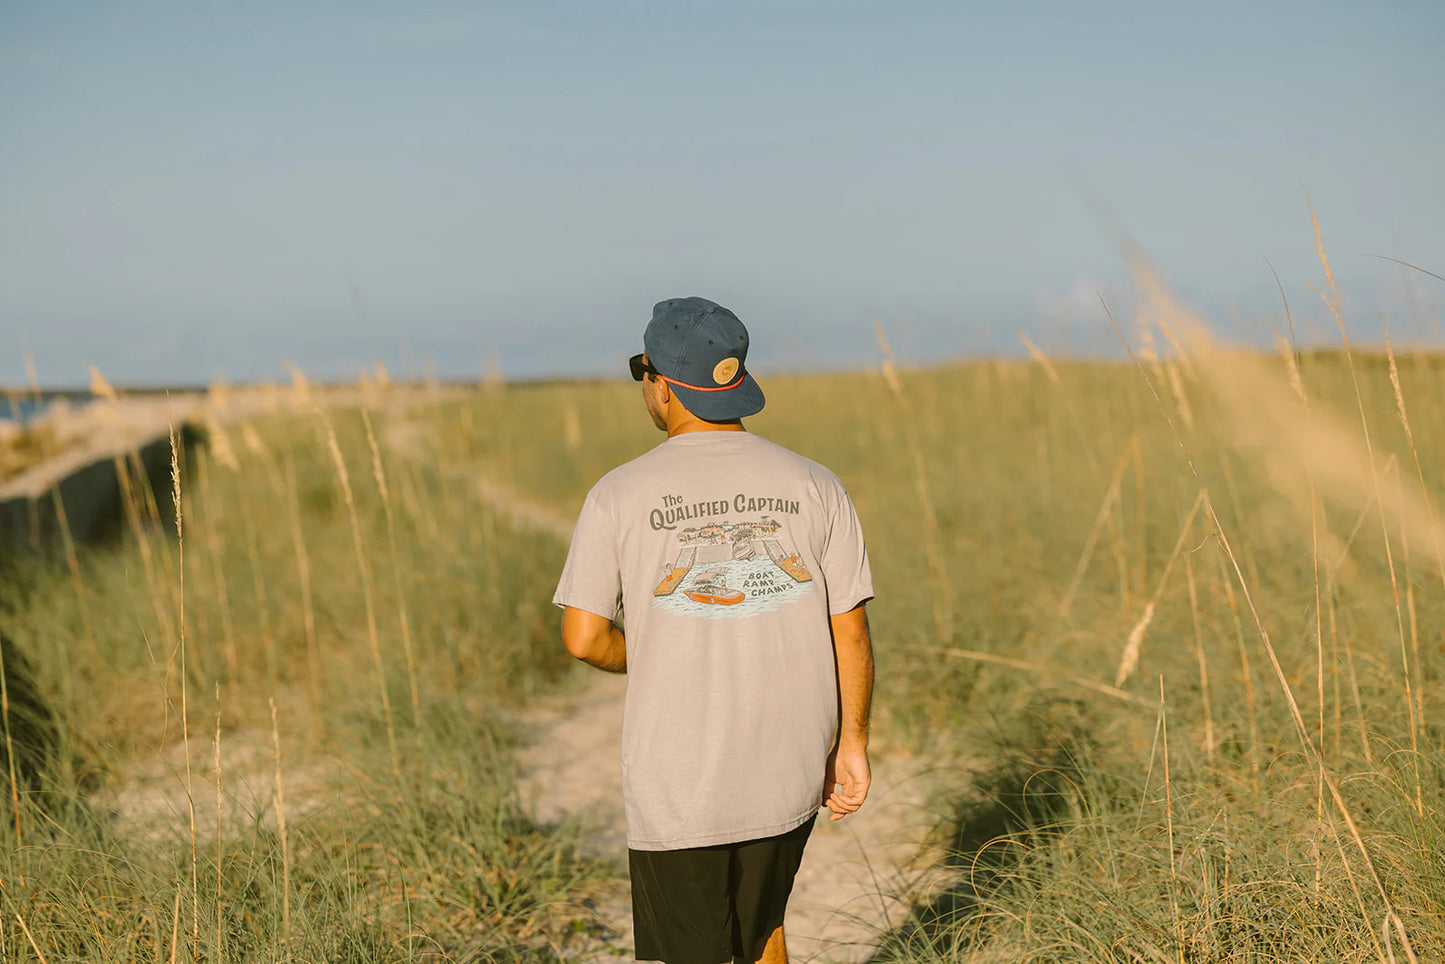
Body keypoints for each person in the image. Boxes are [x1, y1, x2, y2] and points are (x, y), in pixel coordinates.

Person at [553, 297, 875, 964]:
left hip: (680, 780)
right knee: (763, 930)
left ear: (660, 384)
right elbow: (849, 630)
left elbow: (583, 638)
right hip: (789, 758)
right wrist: (853, 743)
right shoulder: (815, 483)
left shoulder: (617, 493)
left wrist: (655, 652)